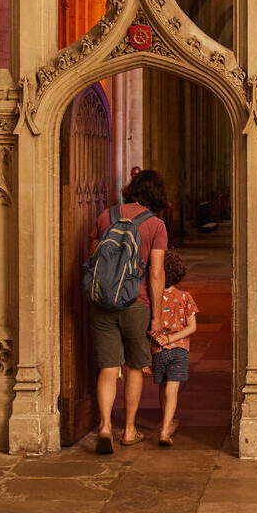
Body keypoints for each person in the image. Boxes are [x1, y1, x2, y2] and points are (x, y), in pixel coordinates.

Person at [89, 169, 168, 453]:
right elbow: (156, 273)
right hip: (137, 302)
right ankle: (130, 430)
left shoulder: (104, 217)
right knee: (134, 367)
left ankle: (105, 427)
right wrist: (157, 316)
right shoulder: (156, 225)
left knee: (108, 367)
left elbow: (94, 262)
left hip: (103, 303)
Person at [149, 249, 199, 446]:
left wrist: (161, 340)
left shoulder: (154, 298)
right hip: (179, 351)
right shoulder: (185, 297)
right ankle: (165, 429)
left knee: (163, 387)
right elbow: (192, 327)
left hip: (158, 351)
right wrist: (173, 339)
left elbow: (148, 325)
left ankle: (166, 422)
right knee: (173, 388)